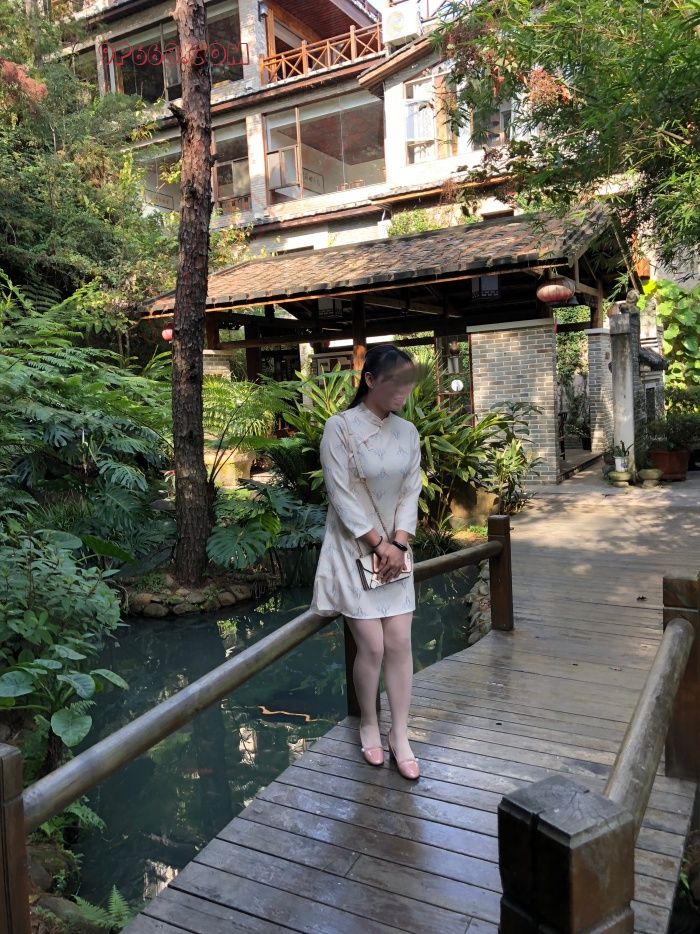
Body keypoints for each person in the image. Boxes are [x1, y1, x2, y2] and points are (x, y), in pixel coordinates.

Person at [311, 345, 423, 780]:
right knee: (372, 646)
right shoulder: (339, 428)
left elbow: (411, 491)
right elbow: (340, 495)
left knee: (400, 642)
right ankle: (370, 724)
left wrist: (399, 543)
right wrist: (378, 544)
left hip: (396, 551)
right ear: (371, 380)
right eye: (395, 381)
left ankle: (401, 734)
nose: (404, 389)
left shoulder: (408, 432)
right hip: (354, 548)